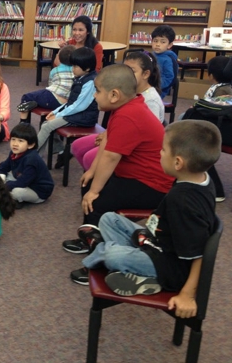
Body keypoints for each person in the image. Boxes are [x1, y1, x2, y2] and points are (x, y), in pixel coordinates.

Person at [72, 120, 220, 317]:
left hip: (167, 267)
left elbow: (198, 253)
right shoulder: (199, 178)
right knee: (109, 219)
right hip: (155, 241)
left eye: (163, 150)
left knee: (111, 254)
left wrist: (187, 294)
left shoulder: (183, 201)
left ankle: (105, 257)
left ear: (178, 162)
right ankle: (127, 265)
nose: (159, 153)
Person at [62, 64, 174, 259]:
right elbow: (107, 141)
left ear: (114, 95)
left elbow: (112, 156)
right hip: (137, 175)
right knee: (88, 184)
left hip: (154, 185)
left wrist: (95, 191)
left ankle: (100, 257)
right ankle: (89, 239)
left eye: (97, 91)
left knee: (97, 200)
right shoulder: (126, 107)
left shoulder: (129, 116)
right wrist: (92, 171)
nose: (95, 95)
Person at [71, 51, 165, 171]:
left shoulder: (151, 100)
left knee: (90, 158)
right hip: (116, 133)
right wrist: (107, 134)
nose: (126, 74)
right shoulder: (127, 92)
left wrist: (109, 137)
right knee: (78, 146)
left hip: (134, 147)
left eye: (132, 71)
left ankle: (100, 181)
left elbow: (141, 134)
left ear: (146, 74)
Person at [181, 55, 232, 202]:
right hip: (222, 123)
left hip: (222, 127)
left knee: (192, 134)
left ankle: (215, 188)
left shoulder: (222, 89)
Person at [36, 47, 99, 159]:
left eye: (75, 66)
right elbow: (71, 101)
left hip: (83, 117)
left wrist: (58, 115)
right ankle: (60, 152)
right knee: (45, 123)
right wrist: (55, 111)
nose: (72, 69)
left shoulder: (90, 82)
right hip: (76, 114)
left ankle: (31, 157)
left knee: (47, 127)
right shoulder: (80, 77)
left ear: (87, 68)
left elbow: (79, 106)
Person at [0, 123, 54, 208]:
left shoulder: (32, 160)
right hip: (24, 180)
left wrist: (2, 187)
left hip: (38, 191)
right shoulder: (14, 152)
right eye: (13, 139)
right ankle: (6, 196)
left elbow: (23, 182)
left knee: (17, 192)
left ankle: (15, 200)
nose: (15, 144)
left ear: (31, 145)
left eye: (20, 141)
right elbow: (3, 167)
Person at [16, 45, 76, 122]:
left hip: (53, 98)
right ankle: (37, 103)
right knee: (42, 97)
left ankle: (23, 123)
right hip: (68, 103)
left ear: (59, 58)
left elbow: (50, 85)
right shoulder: (77, 71)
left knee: (26, 97)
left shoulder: (55, 70)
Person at [151, 24, 178, 98]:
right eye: (155, 41)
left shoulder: (168, 59)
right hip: (148, 85)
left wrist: (154, 86)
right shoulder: (151, 55)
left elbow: (169, 78)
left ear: (169, 45)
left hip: (159, 89)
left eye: (163, 42)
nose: (158, 44)